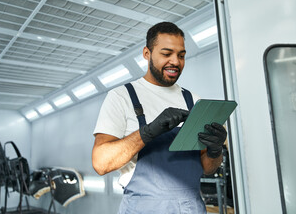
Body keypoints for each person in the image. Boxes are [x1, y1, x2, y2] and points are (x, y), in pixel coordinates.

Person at [92, 22, 227, 214]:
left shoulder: (194, 101)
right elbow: (101, 163)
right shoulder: (122, 97)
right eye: (166, 53)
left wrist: (215, 151)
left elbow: (208, 169)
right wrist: (148, 132)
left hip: (192, 207)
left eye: (181, 55)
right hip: (144, 208)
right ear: (147, 53)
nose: (175, 61)